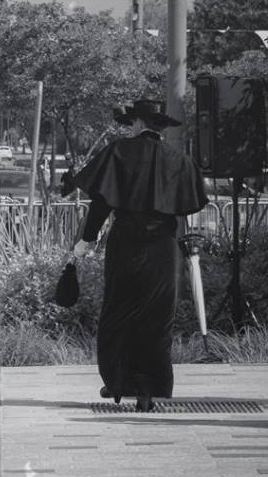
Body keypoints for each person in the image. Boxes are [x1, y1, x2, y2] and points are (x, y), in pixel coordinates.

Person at [68, 99, 209, 411]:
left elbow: (101, 204)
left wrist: (84, 242)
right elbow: (189, 205)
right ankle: (151, 384)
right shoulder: (179, 160)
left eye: (131, 122)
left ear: (139, 123)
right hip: (163, 247)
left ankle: (118, 380)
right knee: (157, 318)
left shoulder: (119, 151)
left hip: (126, 243)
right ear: (158, 126)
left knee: (119, 312)